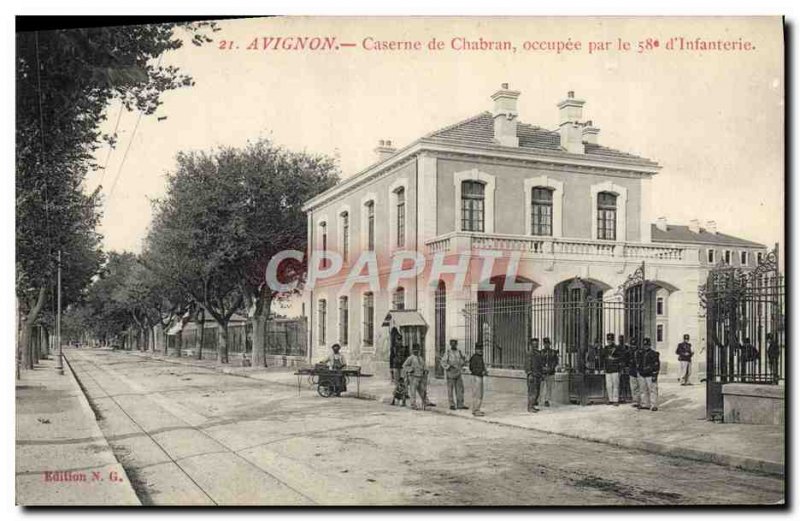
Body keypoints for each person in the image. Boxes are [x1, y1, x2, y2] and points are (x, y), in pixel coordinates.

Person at [441, 339, 468, 410]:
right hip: (450, 373)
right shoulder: (448, 352)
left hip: (458, 373)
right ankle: (452, 404)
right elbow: (443, 362)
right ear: (450, 344)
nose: (453, 345)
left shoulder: (459, 352)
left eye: (455, 344)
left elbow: (462, 361)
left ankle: (460, 404)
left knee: (460, 389)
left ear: (456, 344)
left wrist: (463, 362)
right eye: (452, 344)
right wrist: (449, 367)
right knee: (450, 389)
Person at [402, 344, 427, 410]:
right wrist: (410, 369)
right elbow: (404, 366)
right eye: (415, 350)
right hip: (413, 377)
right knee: (413, 392)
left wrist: (425, 370)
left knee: (422, 390)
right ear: (413, 350)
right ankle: (413, 404)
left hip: (420, 376)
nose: (417, 351)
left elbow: (424, 366)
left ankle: (425, 402)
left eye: (418, 350)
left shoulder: (420, 358)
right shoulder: (410, 358)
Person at [638, 338, 660, 411]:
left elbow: (656, 365)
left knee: (652, 390)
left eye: (647, 345)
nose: (646, 346)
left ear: (650, 345)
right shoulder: (640, 353)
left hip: (650, 375)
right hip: (642, 374)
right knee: (643, 390)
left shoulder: (654, 354)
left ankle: (654, 405)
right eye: (644, 345)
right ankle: (645, 404)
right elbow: (638, 363)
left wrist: (655, 374)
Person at [602, 333, 622, 406]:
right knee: (609, 385)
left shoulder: (617, 348)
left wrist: (614, 359)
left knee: (615, 385)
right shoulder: (605, 348)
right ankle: (610, 399)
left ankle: (615, 400)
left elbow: (621, 358)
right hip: (608, 369)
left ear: (613, 340)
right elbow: (603, 357)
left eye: (610, 339)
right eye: (608, 339)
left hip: (615, 368)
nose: (609, 341)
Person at [468, 343, 488, 416]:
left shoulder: (480, 357)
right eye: (479, 349)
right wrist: (481, 372)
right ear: (476, 350)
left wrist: (484, 371)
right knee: (478, 394)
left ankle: (476, 409)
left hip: (478, 376)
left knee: (477, 394)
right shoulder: (474, 358)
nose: (480, 351)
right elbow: (472, 368)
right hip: (476, 377)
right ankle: (476, 410)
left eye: (481, 349)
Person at [525, 338, 543, 413]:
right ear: (531, 345)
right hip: (533, 375)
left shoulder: (538, 353)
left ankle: (533, 405)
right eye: (534, 344)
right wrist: (529, 374)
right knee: (532, 392)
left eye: (537, 344)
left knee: (537, 391)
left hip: (538, 375)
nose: (536, 346)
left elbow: (540, 365)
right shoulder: (530, 354)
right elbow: (528, 365)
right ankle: (530, 407)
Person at [540, 337, 558, 407]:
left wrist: (551, 368)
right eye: (545, 344)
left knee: (549, 387)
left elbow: (556, 361)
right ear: (543, 344)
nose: (546, 345)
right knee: (541, 386)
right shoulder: (541, 352)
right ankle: (539, 399)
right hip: (543, 372)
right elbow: (539, 362)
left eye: (548, 343)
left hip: (550, 372)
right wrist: (543, 368)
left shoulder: (553, 352)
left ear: (549, 344)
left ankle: (546, 400)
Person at [626, 336, 642, 409]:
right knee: (633, 387)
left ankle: (641, 401)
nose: (633, 346)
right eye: (632, 345)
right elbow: (626, 360)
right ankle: (635, 401)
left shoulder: (640, 351)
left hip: (639, 371)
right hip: (632, 371)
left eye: (634, 345)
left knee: (641, 387)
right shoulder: (629, 352)